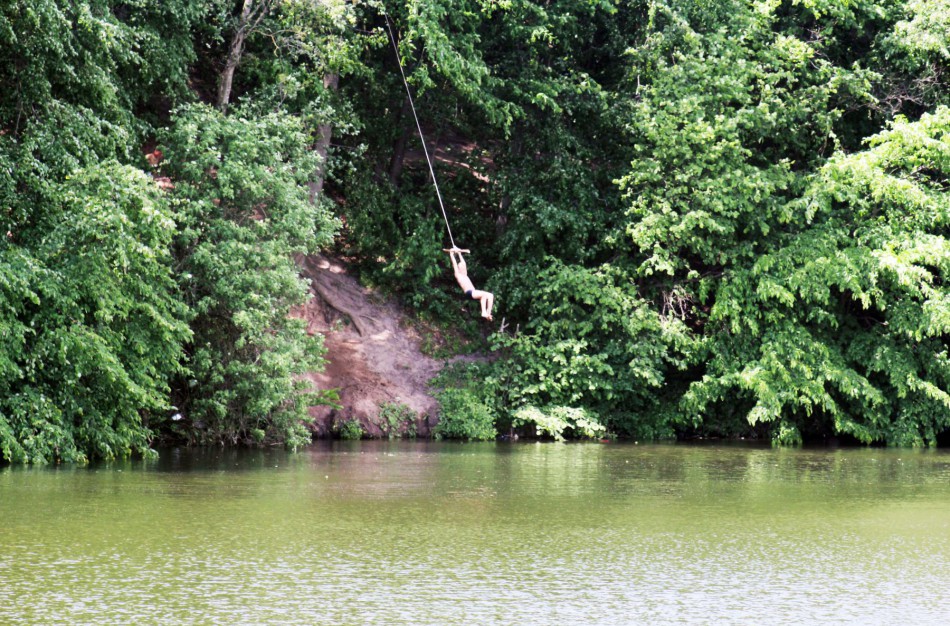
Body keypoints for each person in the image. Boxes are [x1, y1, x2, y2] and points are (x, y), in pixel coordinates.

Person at [445, 247, 494, 321]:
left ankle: (488, 314)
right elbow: (454, 264)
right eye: (461, 266)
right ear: (459, 268)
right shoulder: (458, 275)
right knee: (484, 295)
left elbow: (463, 263)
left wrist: (459, 253)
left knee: (490, 295)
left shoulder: (465, 274)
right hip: (469, 293)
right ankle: (483, 312)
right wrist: (451, 254)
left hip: (473, 292)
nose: (463, 267)